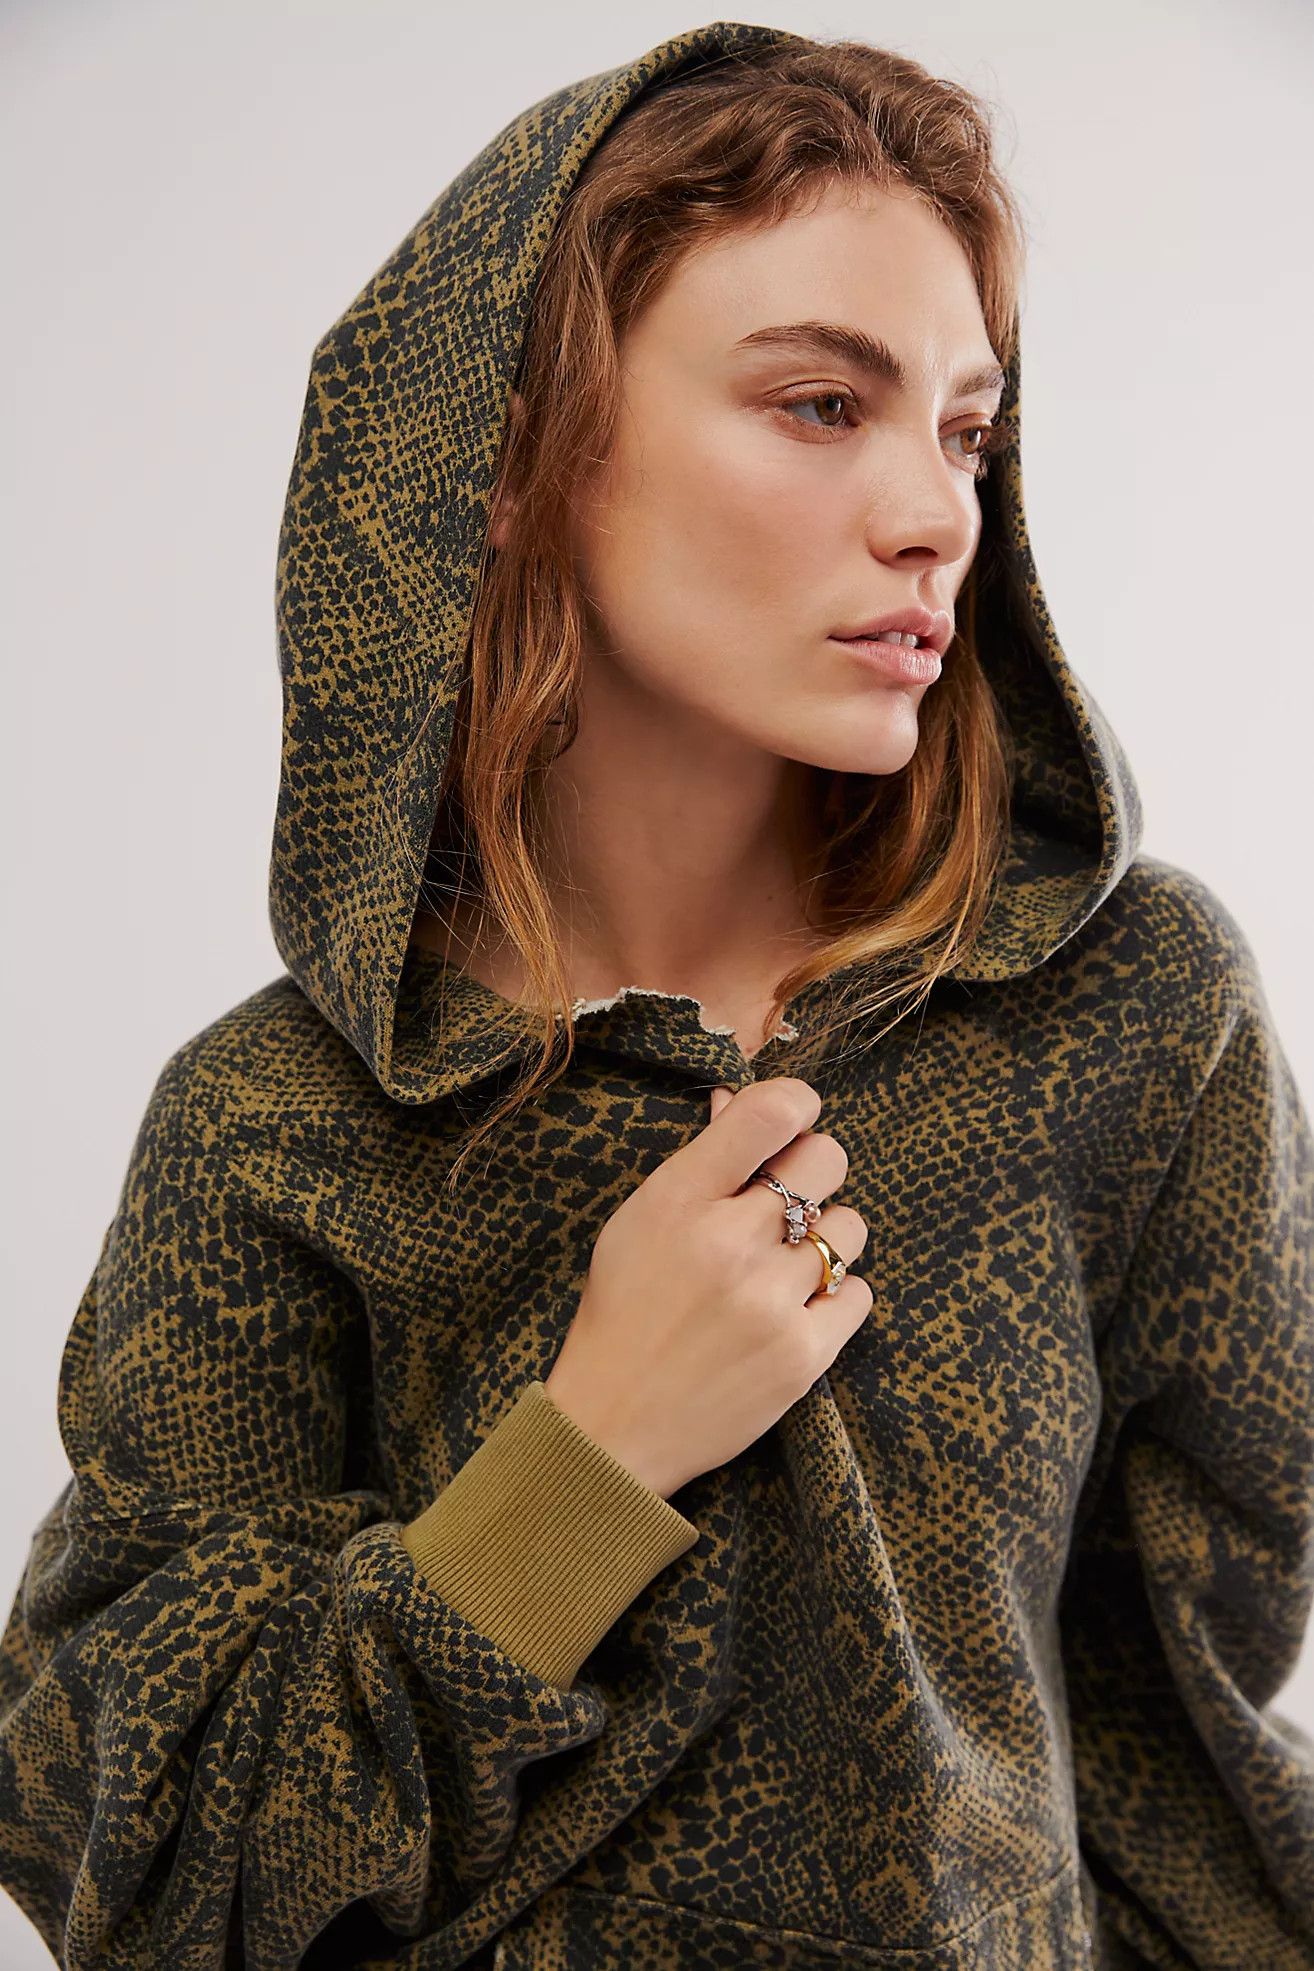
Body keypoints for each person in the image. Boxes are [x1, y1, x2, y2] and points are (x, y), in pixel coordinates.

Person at [1, 19, 1311, 1970]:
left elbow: (1160, 1747)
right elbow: (138, 1853)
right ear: (512, 456)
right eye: (818, 403)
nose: (938, 511)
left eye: (964, 428)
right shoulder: (282, 1124)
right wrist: (585, 1464)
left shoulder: (1125, 1015)